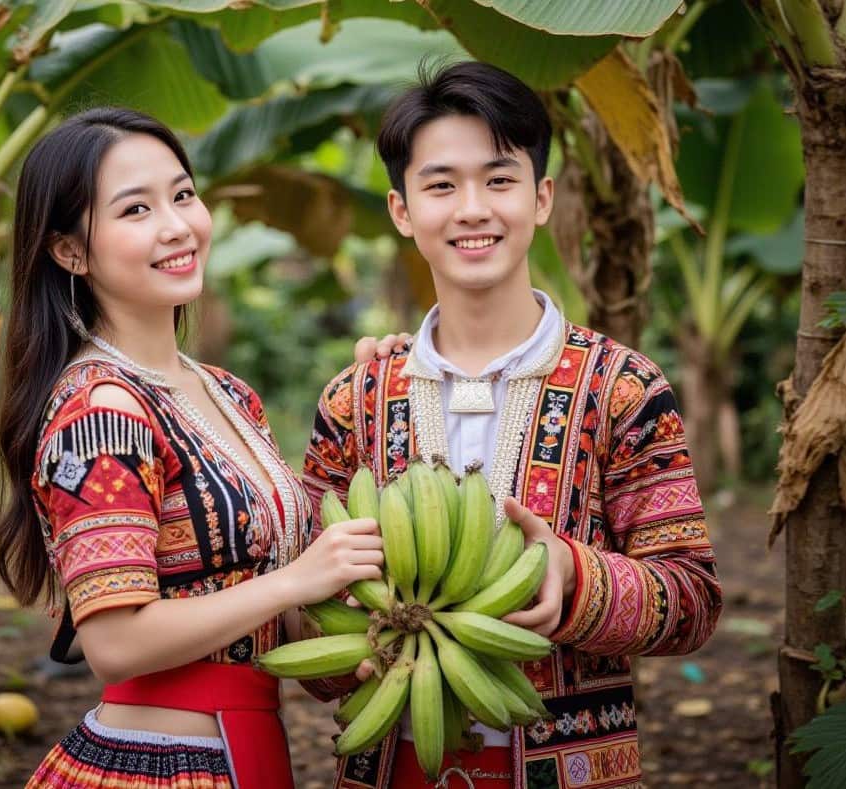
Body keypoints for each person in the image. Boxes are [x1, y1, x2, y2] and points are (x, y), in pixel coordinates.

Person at [303, 62, 723, 789]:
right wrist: (351, 646)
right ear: (401, 210)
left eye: (499, 180)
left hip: (575, 768)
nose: (472, 209)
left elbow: (691, 601)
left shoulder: (621, 387)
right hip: (391, 766)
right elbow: (304, 608)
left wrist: (573, 574)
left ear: (541, 198)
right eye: (441, 186)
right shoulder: (356, 399)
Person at [0, 107, 390, 789]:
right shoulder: (102, 411)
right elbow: (114, 644)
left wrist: (386, 391)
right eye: (136, 209)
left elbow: (270, 609)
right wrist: (296, 580)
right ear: (69, 251)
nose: (177, 225)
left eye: (182, 195)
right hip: (156, 764)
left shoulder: (228, 395)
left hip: (248, 747)